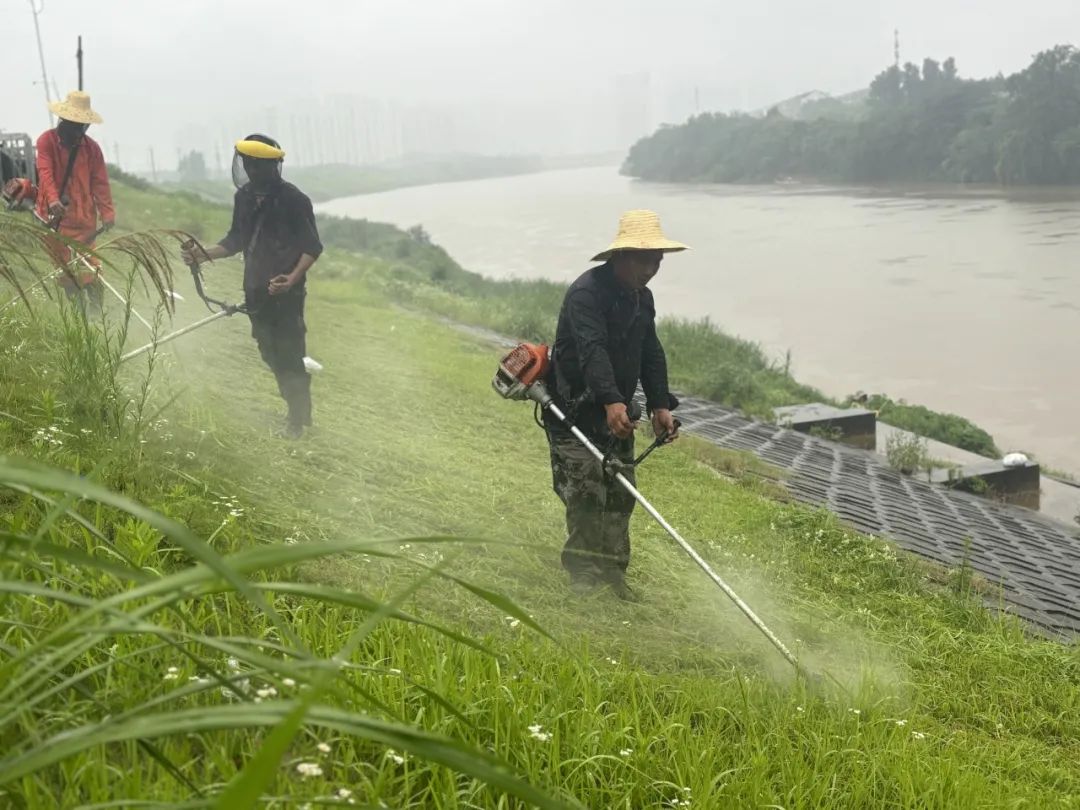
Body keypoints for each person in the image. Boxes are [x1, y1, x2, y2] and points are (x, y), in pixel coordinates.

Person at [543, 209, 688, 601]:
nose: (652, 269)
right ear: (621, 256)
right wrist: (610, 400)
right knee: (586, 490)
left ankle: (612, 571)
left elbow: (649, 351)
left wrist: (659, 405)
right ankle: (582, 573)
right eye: (645, 259)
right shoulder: (586, 294)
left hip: (617, 412)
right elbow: (593, 351)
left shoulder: (642, 298)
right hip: (575, 410)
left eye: (657, 260)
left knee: (621, 492)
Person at [181, 134, 323, 439]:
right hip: (255, 289)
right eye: (247, 164)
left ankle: (297, 422)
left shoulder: (295, 200)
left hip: (287, 293)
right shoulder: (243, 198)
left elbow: (312, 247)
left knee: (289, 353)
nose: (251, 171)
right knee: (268, 351)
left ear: (270, 167)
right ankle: (294, 408)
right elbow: (235, 241)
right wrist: (201, 255)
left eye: (256, 166)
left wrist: (292, 278)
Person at [35, 91, 114, 309]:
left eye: (84, 126)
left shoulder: (92, 149)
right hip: (55, 222)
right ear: (65, 121)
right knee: (68, 273)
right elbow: (45, 172)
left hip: (84, 221)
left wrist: (107, 213)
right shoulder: (46, 142)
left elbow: (100, 183)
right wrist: (52, 200)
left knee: (92, 271)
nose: (81, 131)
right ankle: (80, 321)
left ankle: (99, 318)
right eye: (77, 125)